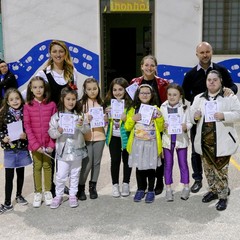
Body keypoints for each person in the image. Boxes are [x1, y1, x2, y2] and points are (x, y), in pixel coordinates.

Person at [182, 41, 238, 194]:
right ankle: (198, 179)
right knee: (196, 150)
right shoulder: (191, 74)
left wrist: (227, 90)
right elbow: (185, 93)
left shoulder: (221, 70)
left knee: (219, 152)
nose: (205, 55)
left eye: (207, 52)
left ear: (211, 52)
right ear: (197, 54)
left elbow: (234, 87)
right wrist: (197, 106)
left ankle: (221, 187)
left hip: (218, 119)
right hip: (200, 119)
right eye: (202, 52)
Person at [36, 39, 82, 196]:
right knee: (51, 152)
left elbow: (76, 97)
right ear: (50, 53)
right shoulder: (44, 73)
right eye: (54, 51)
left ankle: (63, 184)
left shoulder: (71, 73)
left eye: (61, 51)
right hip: (50, 118)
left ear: (65, 53)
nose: (58, 54)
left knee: (65, 151)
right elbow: (32, 91)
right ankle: (52, 186)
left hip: (68, 119)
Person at [190, 70, 240, 211]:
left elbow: (238, 114)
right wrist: (195, 116)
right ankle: (213, 191)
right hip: (204, 143)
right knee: (209, 170)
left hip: (222, 142)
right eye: (209, 80)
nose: (211, 82)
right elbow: (190, 117)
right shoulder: (199, 98)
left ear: (221, 81)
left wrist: (223, 115)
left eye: (215, 80)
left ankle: (223, 196)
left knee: (221, 171)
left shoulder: (229, 96)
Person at [131, 55, 169, 195]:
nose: (149, 68)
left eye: (152, 65)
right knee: (142, 154)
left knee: (158, 155)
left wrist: (162, 120)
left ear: (156, 67)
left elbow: (168, 101)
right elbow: (131, 103)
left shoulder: (163, 83)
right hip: (141, 125)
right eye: (146, 65)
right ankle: (142, 185)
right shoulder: (134, 83)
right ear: (141, 66)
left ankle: (159, 182)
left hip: (157, 123)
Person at [48, 87, 90, 209]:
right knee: (61, 174)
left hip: (77, 149)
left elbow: (87, 130)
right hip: (63, 150)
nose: (71, 102)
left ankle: (73, 194)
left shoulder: (79, 115)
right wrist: (58, 131)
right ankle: (59, 195)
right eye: (68, 99)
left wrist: (81, 126)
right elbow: (51, 132)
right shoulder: (56, 116)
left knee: (75, 173)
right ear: (62, 99)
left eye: (73, 99)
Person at [125, 84, 164, 203]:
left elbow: (161, 128)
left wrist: (159, 117)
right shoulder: (133, 109)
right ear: (138, 95)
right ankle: (140, 189)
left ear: (152, 95)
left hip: (151, 144)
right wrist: (132, 119)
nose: (145, 95)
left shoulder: (156, 109)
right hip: (138, 144)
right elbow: (127, 127)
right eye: (142, 93)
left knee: (151, 168)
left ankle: (151, 190)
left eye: (148, 93)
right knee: (140, 168)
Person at [23, 76, 57, 208]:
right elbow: (27, 126)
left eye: (41, 87)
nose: (38, 90)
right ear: (31, 89)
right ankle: (38, 192)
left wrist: (51, 144)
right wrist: (35, 145)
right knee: (37, 167)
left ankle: (47, 191)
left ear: (45, 89)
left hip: (48, 143)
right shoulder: (28, 106)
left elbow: (55, 126)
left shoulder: (51, 105)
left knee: (47, 166)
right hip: (35, 145)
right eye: (35, 87)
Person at [0, 88, 32, 214]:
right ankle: (7, 202)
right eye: (11, 99)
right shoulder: (3, 113)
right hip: (9, 150)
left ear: (21, 99)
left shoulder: (25, 112)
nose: (15, 101)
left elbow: (29, 128)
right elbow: (0, 129)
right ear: (7, 102)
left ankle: (19, 195)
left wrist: (26, 135)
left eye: (17, 98)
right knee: (9, 176)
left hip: (22, 147)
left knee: (20, 173)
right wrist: (3, 138)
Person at [160, 83, 192, 201]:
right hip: (168, 140)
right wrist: (162, 125)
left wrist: (186, 127)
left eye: (175, 95)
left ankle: (186, 187)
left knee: (183, 163)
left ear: (180, 96)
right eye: (169, 94)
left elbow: (189, 122)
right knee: (168, 164)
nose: (172, 97)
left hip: (181, 139)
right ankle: (168, 189)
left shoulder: (184, 107)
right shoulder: (162, 107)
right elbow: (159, 123)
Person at [77, 78, 105, 200]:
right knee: (87, 164)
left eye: (95, 88)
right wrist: (86, 118)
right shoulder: (80, 104)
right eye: (89, 89)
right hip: (86, 137)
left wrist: (105, 120)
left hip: (100, 137)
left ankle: (93, 187)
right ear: (85, 90)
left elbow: (107, 121)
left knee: (96, 163)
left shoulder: (102, 103)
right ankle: (81, 187)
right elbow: (77, 121)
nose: (92, 91)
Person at [104, 77, 132, 197]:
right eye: (114, 90)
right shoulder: (109, 104)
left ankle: (126, 183)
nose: (117, 92)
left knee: (127, 161)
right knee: (115, 161)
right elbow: (105, 123)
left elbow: (132, 123)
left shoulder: (130, 105)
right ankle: (115, 185)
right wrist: (106, 116)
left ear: (125, 90)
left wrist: (126, 119)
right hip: (113, 138)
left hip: (126, 137)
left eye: (120, 89)